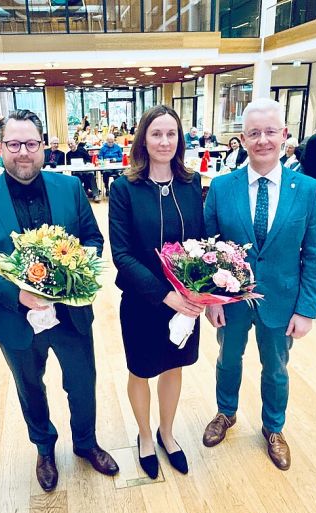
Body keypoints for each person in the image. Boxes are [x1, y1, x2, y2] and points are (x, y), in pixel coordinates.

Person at [0, 110, 119, 493]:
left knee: (82, 382)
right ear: (0, 149)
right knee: (30, 386)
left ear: (43, 146)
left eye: (31, 144)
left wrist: (73, 271)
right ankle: (44, 448)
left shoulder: (70, 190)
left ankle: (85, 443)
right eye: (13, 145)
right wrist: (18, 294)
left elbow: (93, 240)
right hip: (14, 318)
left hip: (71, 313)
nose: (23, 153)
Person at [202, 99, 316, 471]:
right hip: (231, 300)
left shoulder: (307, 189)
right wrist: (212, 300)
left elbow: (315, 253)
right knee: (228, 360)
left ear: (285, 136)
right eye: (254, 133)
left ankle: (274, 427)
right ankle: (226, 413)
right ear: (242, 139)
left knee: (276, 368)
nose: (262, 140)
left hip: (282, 300)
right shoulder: (222, 187)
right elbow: (208, 248)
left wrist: (306, 310)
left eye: (270, 132)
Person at [109, 105, 206, 479]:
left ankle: (168, 433)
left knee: (174, 366)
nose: (164, 141)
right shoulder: (124, 188)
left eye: (171, 134)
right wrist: (165, 295)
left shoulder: (191, 183)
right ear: (143, 140)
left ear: (179, 139)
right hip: (143, 299)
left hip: (188, 300)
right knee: (141, 370)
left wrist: (202, 291)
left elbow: (200, 242)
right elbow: (121, 254)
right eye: (156, 134)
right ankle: (146, 437)